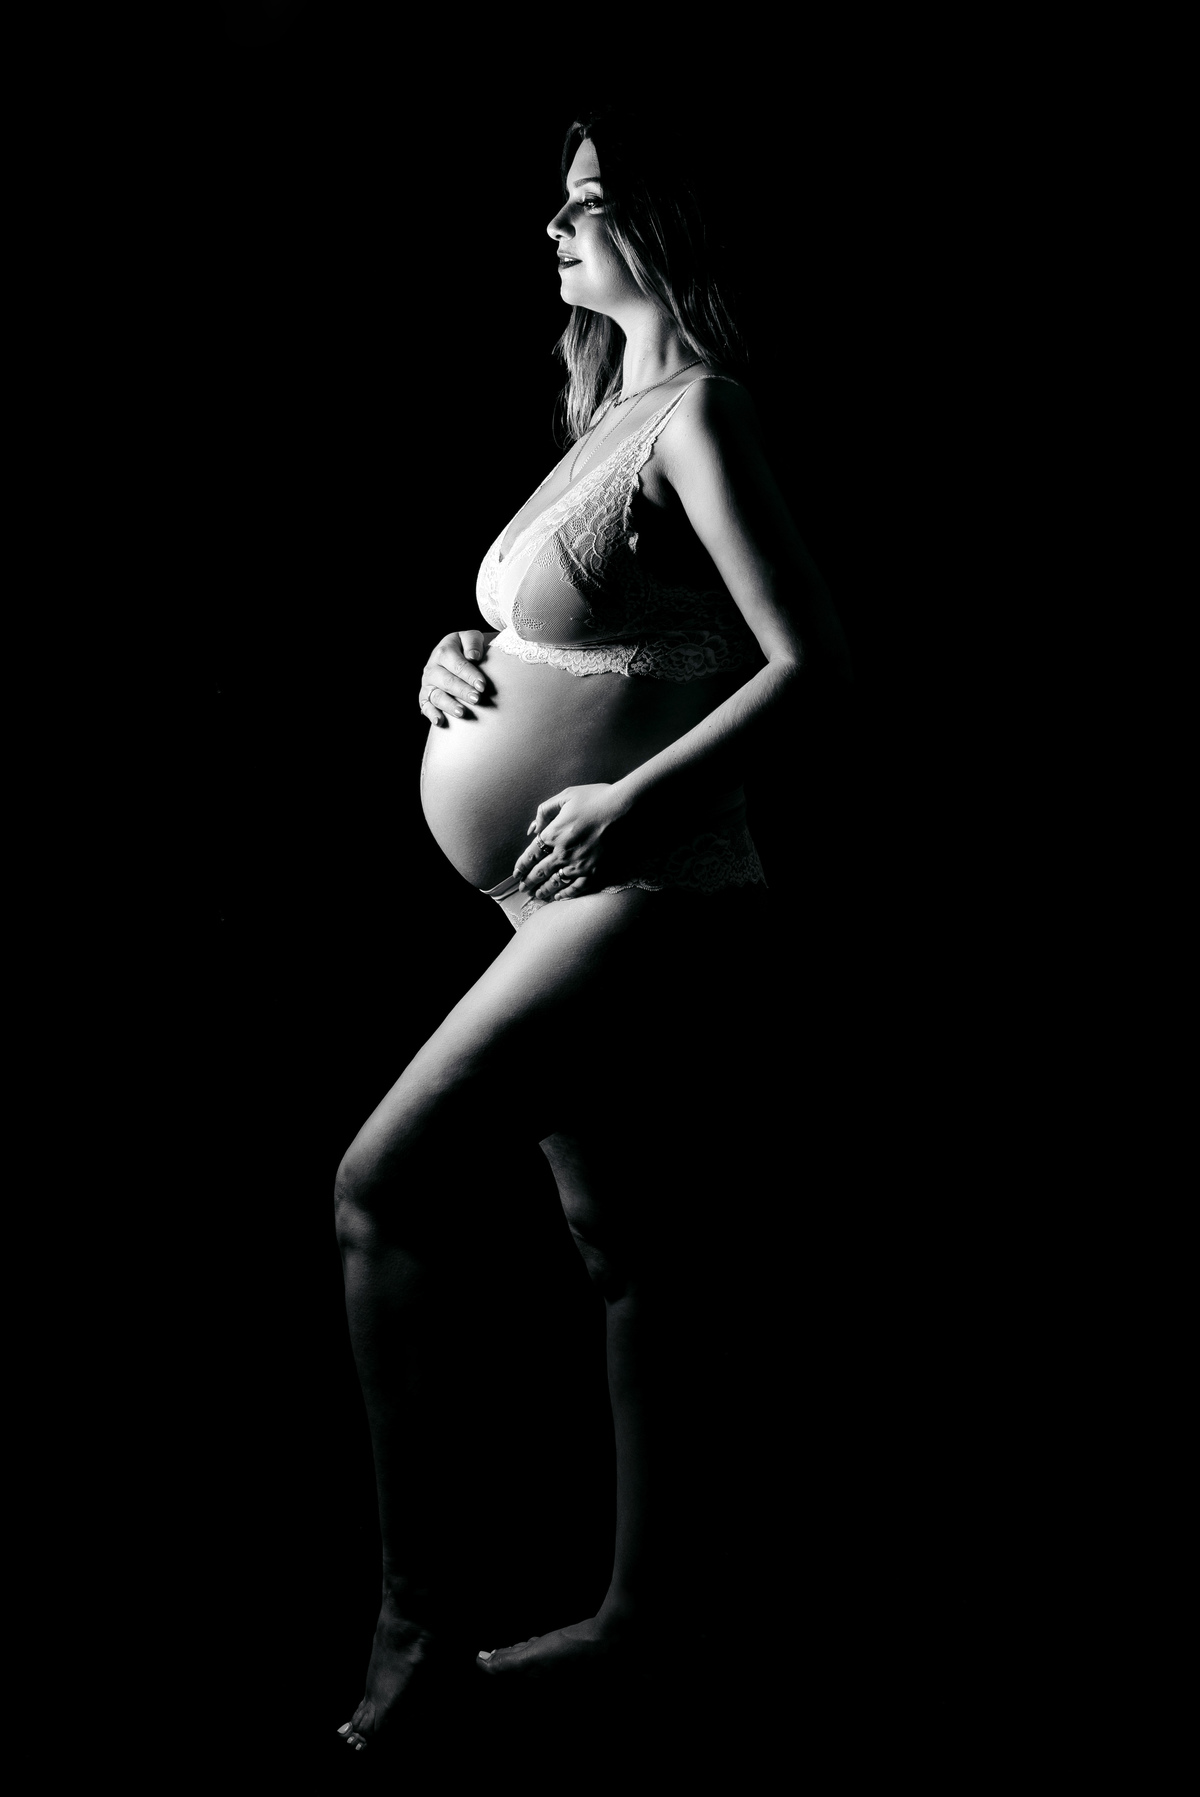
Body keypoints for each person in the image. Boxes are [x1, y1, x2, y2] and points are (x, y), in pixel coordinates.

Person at [334, 107, 851, 1752]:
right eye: (560, 203)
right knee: (627, 1251)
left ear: (667, 219)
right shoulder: (603, 419)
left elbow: (811, 659)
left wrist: (630, 801)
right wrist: (452, 659)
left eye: (592, 201)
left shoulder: (701, 411)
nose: (557, 227)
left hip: (650, 885)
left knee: (379, 1187)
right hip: (549, 895)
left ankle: (415, 1638)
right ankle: (646, 1623)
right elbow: (573, 631)